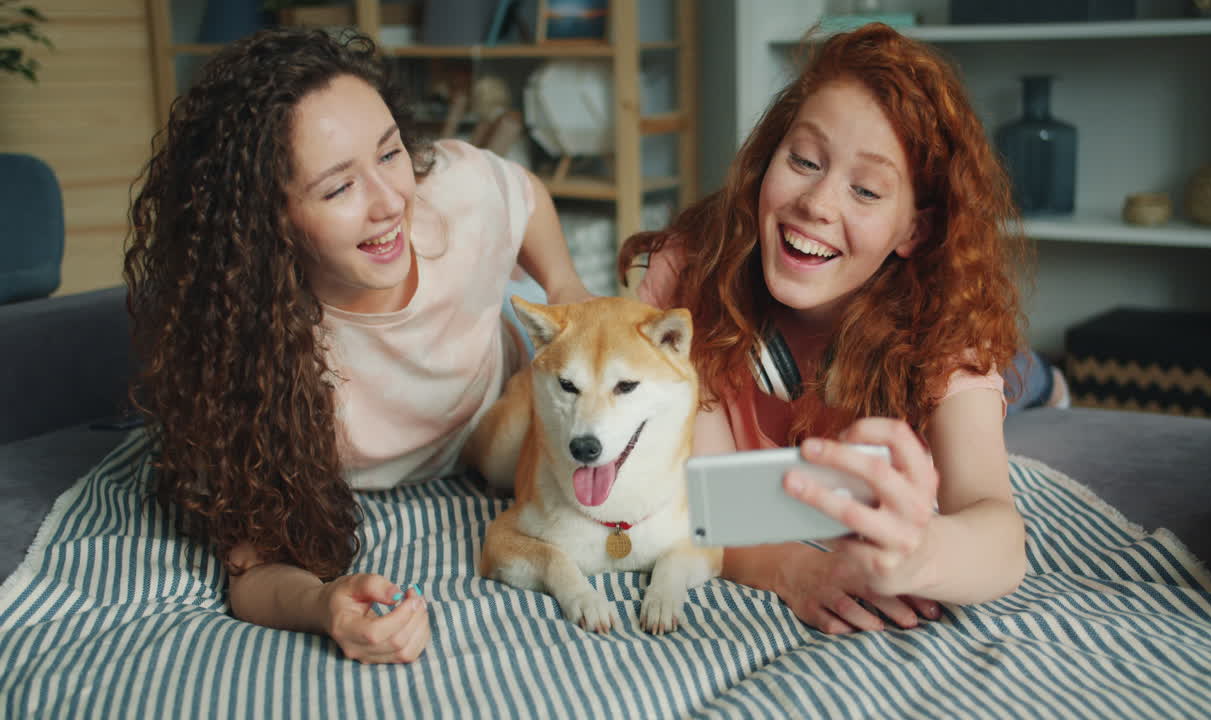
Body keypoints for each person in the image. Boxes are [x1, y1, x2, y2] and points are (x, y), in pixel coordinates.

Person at [125, 27, 590, 663]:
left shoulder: (452, 192)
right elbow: (252, 573)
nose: (388, 202)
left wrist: (565, 283)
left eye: (391, 153)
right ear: (270, 222)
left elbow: (524, 194)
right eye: (339, 188)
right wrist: (323, 606)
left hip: (501, 398)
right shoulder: (252, 360)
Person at [620, 23, 1037, 634]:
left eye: (866, 190)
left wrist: (921, 555)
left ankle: (1046, 387)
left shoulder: (944, 329)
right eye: (805, 160)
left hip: (960, 369)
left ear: (913, 232)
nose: (818, 203)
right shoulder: (689, 276)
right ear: (768, 160)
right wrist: (796, 569)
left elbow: (1001, 534)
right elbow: (701, 506)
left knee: (1023, 388)